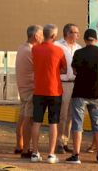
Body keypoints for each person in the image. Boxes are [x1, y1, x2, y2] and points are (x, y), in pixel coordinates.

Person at [67, 28, 98, 164]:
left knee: (77, 124)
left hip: (80, 92)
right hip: (97, 93)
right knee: (97, 125)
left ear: (85, 40)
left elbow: (74, 71)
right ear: (96, 40)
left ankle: (76, 155)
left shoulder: (78, 53)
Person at [29, 24, 68, 164]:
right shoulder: (59, 50)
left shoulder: (35, 49)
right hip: (54, 90)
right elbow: (64, 69)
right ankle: (51, 154)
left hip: (39, 90)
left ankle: (35, 153)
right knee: (53, 123)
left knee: (37, 122)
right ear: (53, 36)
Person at [54, 23, 82, 152]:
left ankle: (65, 141)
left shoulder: (79, 48)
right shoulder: (57, 46)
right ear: (68, 33)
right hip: (63, 84)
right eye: (75, 32)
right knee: (62, 114)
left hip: (76, 84)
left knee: (71, 115)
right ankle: (58, 142)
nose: (78, 35)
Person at [14, 24, 39, 157]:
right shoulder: (31, 51)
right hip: (30, 88)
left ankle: (19, 145)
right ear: (36, 36)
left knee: (22, 117)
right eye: (41, 35)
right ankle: (26, 149)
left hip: (23, 87)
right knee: (29, 119)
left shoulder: (21, 48)